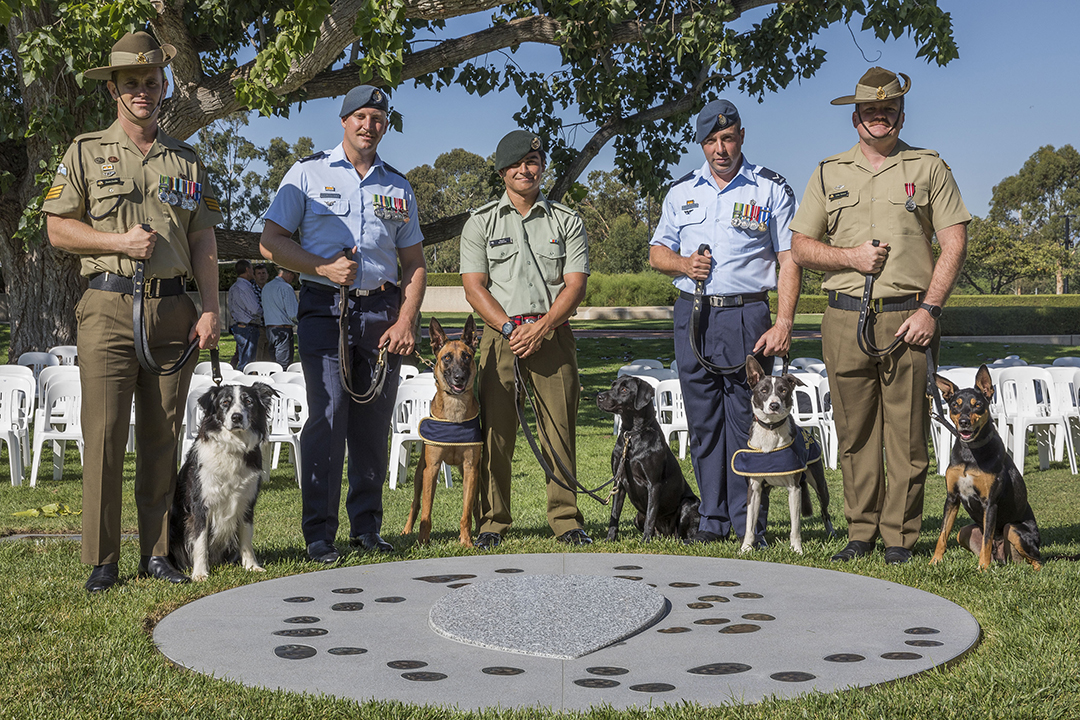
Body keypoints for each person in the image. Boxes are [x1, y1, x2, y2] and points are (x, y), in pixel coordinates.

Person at [42, 31, 222, 592]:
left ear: (163, 85)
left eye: (151, 81)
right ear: (115, 89)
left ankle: (158, 552)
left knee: (163, 436)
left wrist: (212, 308)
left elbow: (203, 242)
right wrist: (118, 244)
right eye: (131, 83)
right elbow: (57, 228)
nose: (142, 91)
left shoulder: (186, 160)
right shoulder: (85, 151)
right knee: (103, 434)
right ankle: (101, 559)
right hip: (108, 306)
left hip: (173, 312)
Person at [789, 67, 969, 565]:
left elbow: (954, 240)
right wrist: (849, 258)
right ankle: (860, 530)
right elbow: (800, 246)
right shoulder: (828, 172)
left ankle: (899, 538)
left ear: (900, 115)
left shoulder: (928, 167)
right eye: (871, 111)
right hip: (845, 318)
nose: (880, 118)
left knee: (907, 436)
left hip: (909, 318)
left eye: (888, 111)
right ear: (856, 118)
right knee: (854, 433)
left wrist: (932, 309)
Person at [259, 85, 426, 563]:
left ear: (385, 126)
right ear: (343, 120)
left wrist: (406, 319)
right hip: (324, 308)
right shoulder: (307, 173)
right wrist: (321, 266)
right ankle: (319, 534)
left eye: (378, 118)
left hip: (381, 315)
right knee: (328, 420)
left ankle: (367, 528)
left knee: (373, 425)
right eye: (360, 116)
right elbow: (270, 242)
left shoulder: (398, 185)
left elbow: (413, 261)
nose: (368, 125)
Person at [649, 100, 801, 547]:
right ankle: (712, 520)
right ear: (701, 143)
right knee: (703, 419)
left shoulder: (769, 188)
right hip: (694, 312)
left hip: (747, 312)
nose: (720, 148)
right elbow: (657, 252)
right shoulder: (681, 191)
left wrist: (785, 321)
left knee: (747, 418)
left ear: (741, 137)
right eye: (712, 141)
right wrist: (682, 262)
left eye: (728, 138)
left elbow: (789, 258)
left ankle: (746, 522)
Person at [459, 130, 592, 550]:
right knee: (496, 434)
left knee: (559, 430)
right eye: (515, 164)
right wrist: (511, 329)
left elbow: (574, 286)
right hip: (502, 337)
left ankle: (565, 518)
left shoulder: (566, 221)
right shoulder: (480, 222)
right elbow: (474, 287)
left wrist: (545, 326)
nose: (524, 170)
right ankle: (493, 522)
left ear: (542, 166)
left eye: (532, 162)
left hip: (552, 334)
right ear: (502, 171)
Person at [261, 267, 299, 367]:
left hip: (270, 329)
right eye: (293, 276)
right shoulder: (286, 287)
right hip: (283, 329)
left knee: (273, 364)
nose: (292, 280)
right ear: (289, 273)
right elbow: (293, 313)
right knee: (283, 365)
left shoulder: (266, 287)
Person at [228, 259, 262, 369]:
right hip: (248, 327)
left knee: (242, 358)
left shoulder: (234, 287)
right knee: (247, 363)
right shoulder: (245, 287)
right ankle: (243, 383)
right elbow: (255, 309)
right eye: (252, 269)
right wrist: (264, 311)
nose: (253, 272)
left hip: (239, 326)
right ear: (247, 269)